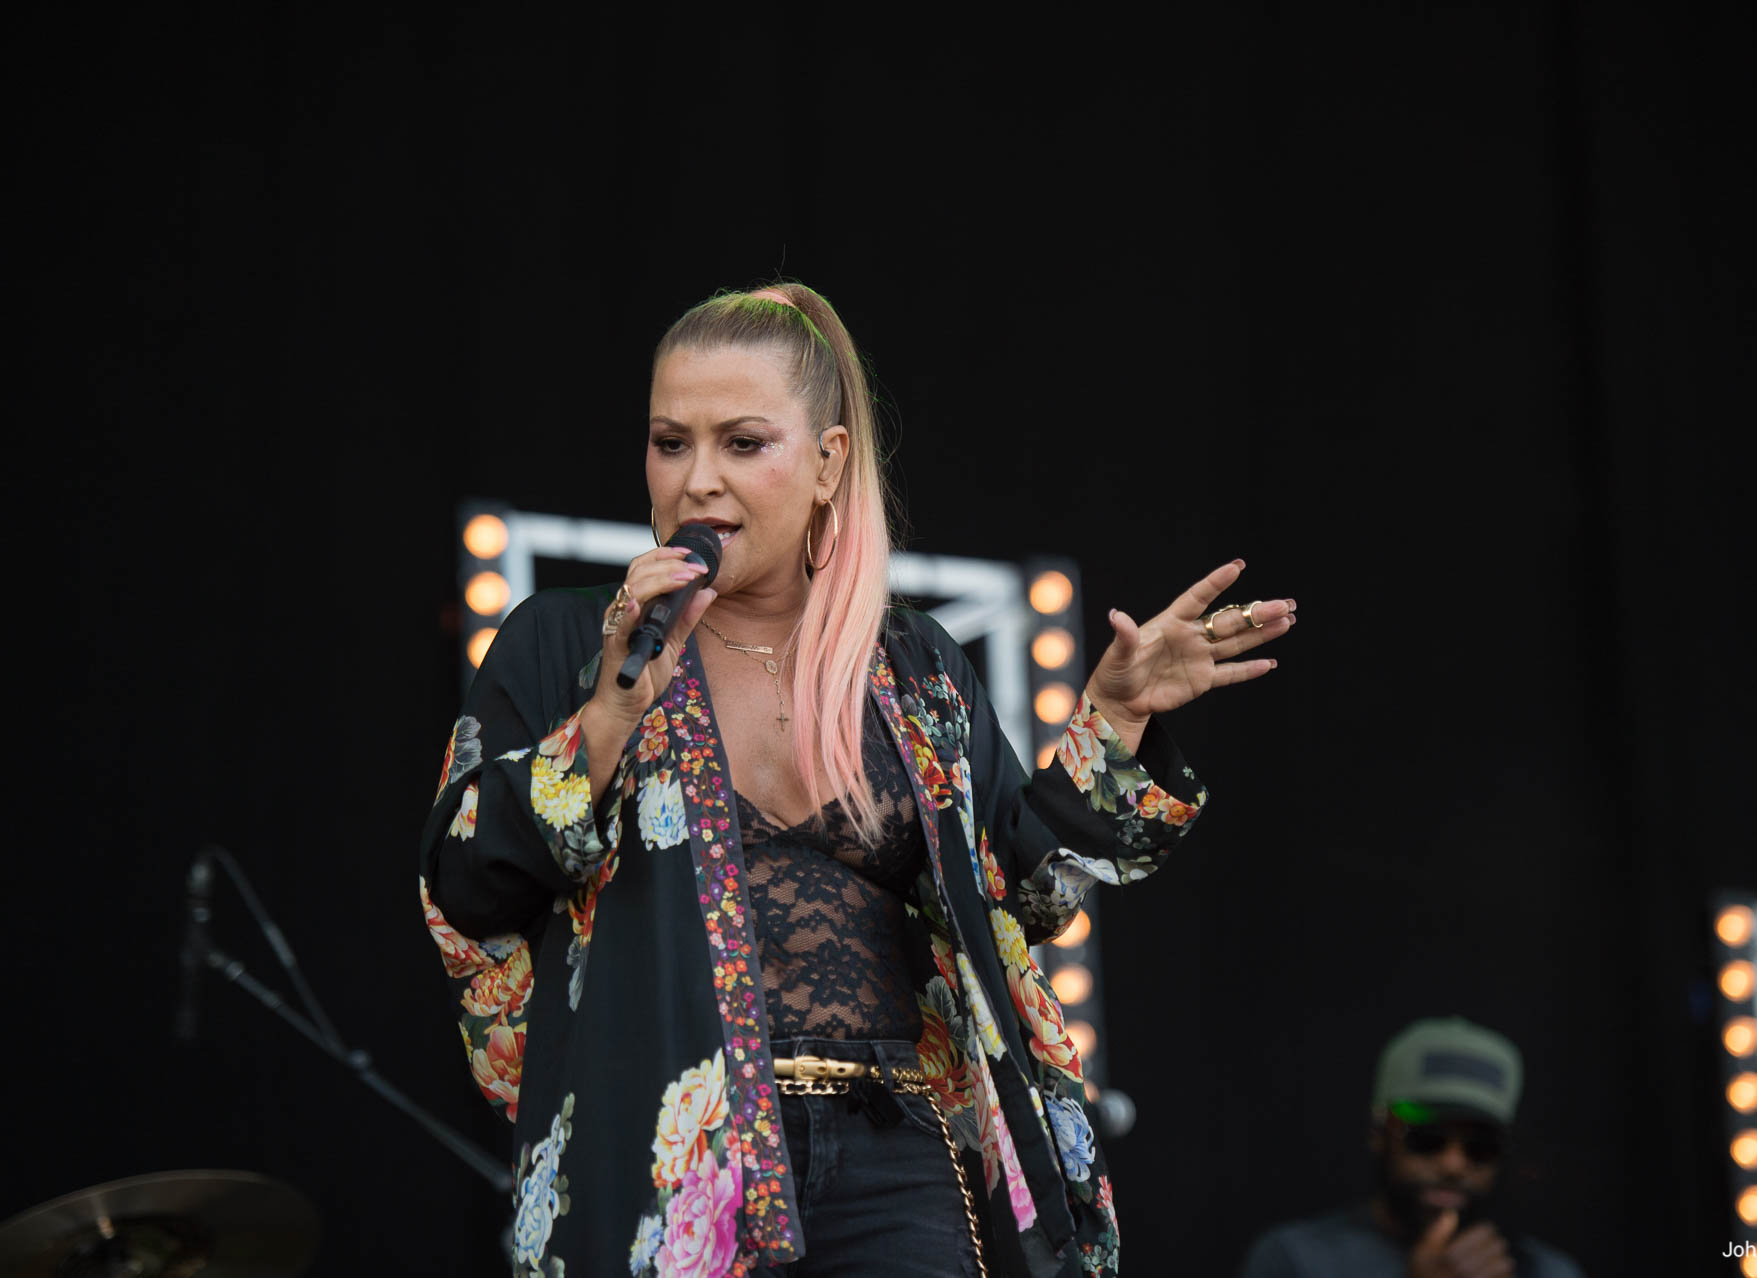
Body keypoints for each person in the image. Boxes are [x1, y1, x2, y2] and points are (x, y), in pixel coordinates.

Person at [418, 282, 1299, 1277]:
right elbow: (468, 886)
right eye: (671, 443)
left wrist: (1117, 720)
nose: (699, 480)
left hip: (895, 1154)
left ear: (829, 461)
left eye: (743, 444)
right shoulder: (566, 641)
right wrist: (611, 714)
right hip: (670, 1158)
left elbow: (1024, 900)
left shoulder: (914, 667)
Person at [1239, 1017, 1584, 1278]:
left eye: (1481, 1147)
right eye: (1427, 1139)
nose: (1452, 1164)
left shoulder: (1547, 1271)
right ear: (1379, 1134)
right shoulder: (1298, 1260)